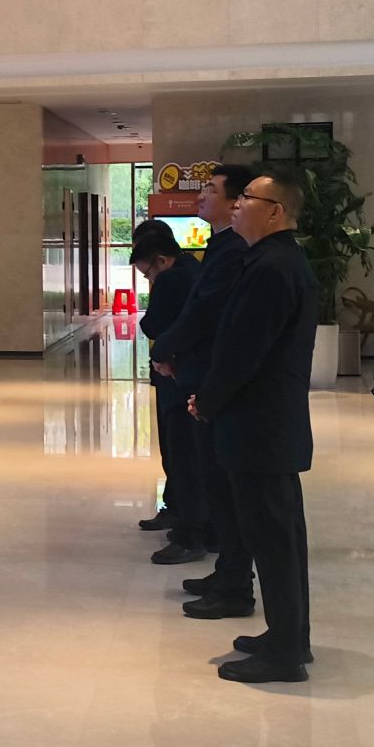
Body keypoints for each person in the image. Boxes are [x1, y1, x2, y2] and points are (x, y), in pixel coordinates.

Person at [189, 170, 318, 683]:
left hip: (261, 426)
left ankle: (285, 653)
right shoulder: (270, 260)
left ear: (275, 212)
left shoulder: (272, 266)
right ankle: (288, 636)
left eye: (248, 198)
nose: (238, 204)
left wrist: (209, 399)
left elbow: (245, 349)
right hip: (266, 425)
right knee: (276, 537)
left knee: (274, 539)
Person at [149, 165, 257, 607]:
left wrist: (165, 347)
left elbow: (206, 312)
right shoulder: (219, 245)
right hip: (197, 372)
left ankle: (232, 577)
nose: (201, 196)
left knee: (215, 475)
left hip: (211, 380)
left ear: (236, 203)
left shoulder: (235, 251)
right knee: (210, 474)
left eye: (211, 190)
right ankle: (226, 569)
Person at [132, 230, 211, 563]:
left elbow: (152, 325)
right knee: (187, 454)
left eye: (147, 273)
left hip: (178, 375)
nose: (149, 280)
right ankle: (183, 513)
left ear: (161, 260)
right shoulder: (196, 268)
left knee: (181, 454)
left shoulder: (172, 279)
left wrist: (162, 351)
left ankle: (189, 531)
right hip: (188, 374)